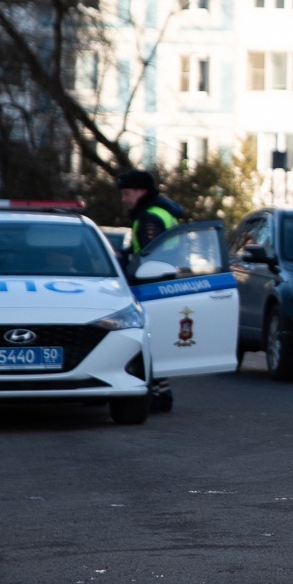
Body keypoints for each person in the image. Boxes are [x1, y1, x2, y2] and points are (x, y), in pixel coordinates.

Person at [117, 169, 184, 413]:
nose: (124, 199)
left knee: (147, 343)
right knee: (153, 343)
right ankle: (161, 393)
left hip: (151, 286)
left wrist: (124, 262)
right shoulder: (159, 213)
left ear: (141, 192)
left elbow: (148, 256)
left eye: (127, 193)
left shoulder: (150, 218)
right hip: (162, 284)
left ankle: (158, 395)